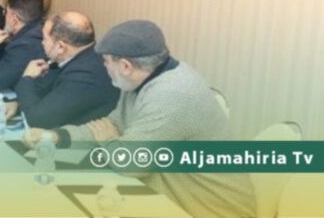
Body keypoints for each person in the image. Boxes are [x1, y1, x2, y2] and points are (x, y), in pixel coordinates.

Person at [24, 20, 256, 218]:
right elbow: (111, 125)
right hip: (169, 195)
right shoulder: (143, 75)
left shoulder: (172, 94)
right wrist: (57, 136)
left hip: (206, 209)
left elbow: (130, 163)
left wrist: (109, 142)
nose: (103, 67)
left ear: (125, 66)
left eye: (106, 61)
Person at [14, 12, 119, 128]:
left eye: (45, 39)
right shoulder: (84, 56)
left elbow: (37, 120)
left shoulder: (85, 74)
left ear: (60, 47)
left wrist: (27, 78)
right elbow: (47, 95)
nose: (42, 43)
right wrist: (18, 104)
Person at [0, 0, 46, 93]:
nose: (3, 16)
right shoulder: (35, 32)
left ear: (13, 18)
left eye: (5, 12)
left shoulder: (25, 44)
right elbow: (2, 70)